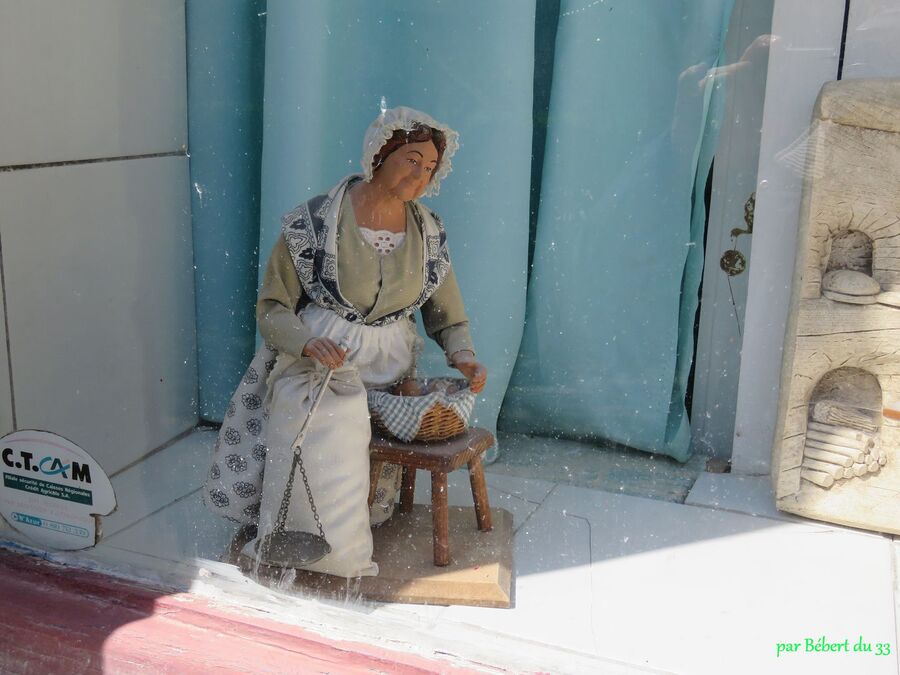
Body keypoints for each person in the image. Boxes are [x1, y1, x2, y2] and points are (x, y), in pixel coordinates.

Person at [204, 106, 486, 578]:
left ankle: (361, 520)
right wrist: (307, 343)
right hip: (322, 361)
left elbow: (445, 310)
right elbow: (273, 306)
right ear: (380, 154)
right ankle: (310, 536)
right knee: (323, 434)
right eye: (410, 160)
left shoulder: (428, 231)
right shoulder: (315, 223)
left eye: (429, 167)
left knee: (380, 441)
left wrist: (464, 356)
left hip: (390, 365)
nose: (419, 175)